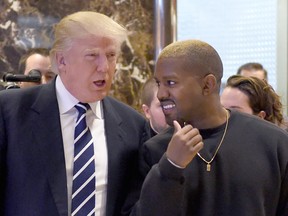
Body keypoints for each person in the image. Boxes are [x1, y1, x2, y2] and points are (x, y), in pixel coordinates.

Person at [0, 11, 151, 216]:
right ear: (62, 60)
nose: (104, 67)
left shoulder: (133, 125)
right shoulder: (10, 112)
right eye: (92, 55)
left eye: (111, 55)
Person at [139, 39, 288, 215]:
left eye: (171, 82)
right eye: (158, 83)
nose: (161, 94)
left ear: (207, 85)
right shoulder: (155, 149)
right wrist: (171, 166)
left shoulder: (273, 142)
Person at [221, 74, 286, 128]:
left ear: (260, 117)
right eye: (221, 109)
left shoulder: (278, 142)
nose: (224, 117)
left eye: (234, 111)